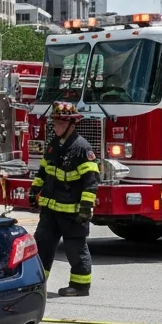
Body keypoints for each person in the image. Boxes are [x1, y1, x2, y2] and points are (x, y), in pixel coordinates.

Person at [29, 102, 100, 297]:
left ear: (71, 124)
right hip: (50, 210)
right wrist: (35, 188)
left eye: (60, 123)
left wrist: (86, 207)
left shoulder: (82, 148)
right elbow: (43, 171)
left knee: (75, 249)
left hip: (72, 212)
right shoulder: (53, 145)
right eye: (54, 122)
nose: (56, 126)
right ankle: (37, 284)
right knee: (42, 246)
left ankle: (80, 285)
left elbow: (91, 182)